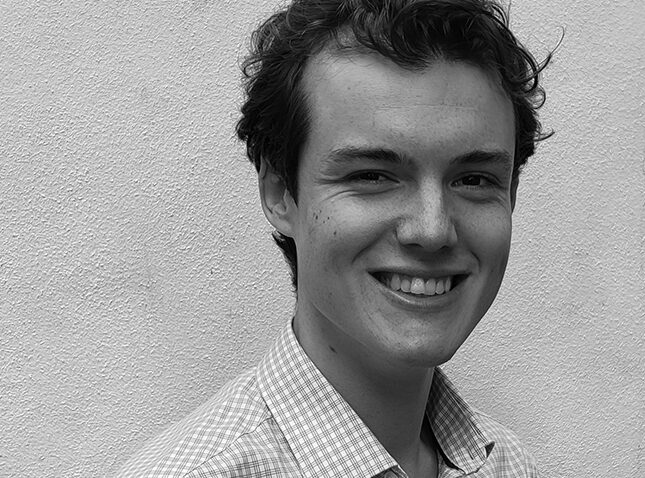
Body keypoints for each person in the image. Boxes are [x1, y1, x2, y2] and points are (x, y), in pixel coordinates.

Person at [117, 0, 550, 476]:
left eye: (473, 179)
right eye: (372, 175)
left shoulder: (509, 465)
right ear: (280, 191)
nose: (432, 229)